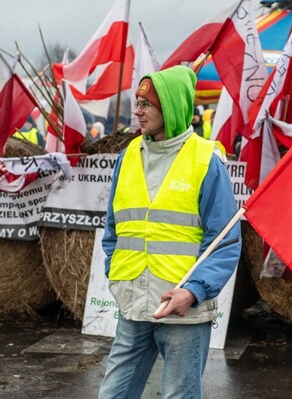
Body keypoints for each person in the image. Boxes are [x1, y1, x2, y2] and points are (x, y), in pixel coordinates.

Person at [98, 65, 241, 399]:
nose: (137, 110)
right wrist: (117, 277)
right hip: (133, 304)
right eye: (137, 101)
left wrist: (192, 292)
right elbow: (113, 229)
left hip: (183, 312)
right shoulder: (127, 156)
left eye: (146, 104)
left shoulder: (206, 161)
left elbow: (225, 240)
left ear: (172, 107)